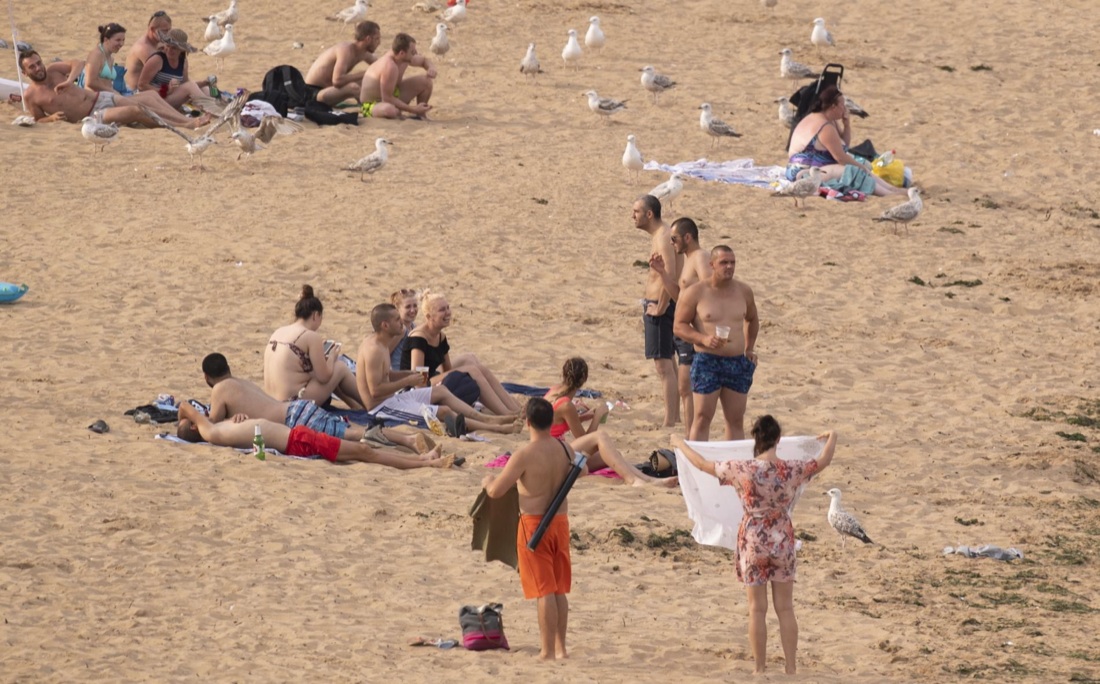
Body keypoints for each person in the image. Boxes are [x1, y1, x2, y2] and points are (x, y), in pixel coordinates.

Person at [672, 418, 836, 675]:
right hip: (782, 540)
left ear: (755, 439)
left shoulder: (742, 469)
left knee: (757, 610)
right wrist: (833, 436)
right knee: (785, 608)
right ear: (778, 439)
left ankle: (760, 669)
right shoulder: (792, 469)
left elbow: (702, 464)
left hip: (753, 541)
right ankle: (791, 668)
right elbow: (823, 460)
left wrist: (679, 444)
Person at [482, 398, 582, 661]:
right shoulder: (566, 449)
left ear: (528, 422)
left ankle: (547, 651)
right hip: (560, 522)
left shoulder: (524, 455)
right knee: (559, 589)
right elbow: (580, 473)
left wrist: (487, 480)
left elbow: (496, 491)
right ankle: (561, 648)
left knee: (544, 590)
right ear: (552, 421)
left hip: (534, 526)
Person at [177, 352, 434, 454]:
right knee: (352, 431)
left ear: (207, 377)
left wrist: (187, 419)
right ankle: (405, 440)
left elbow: (211, 424)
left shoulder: (220, 389)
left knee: (352, 434)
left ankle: (409, 440)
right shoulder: (239, 382)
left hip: (294, 418)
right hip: (297, 408)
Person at [357, 304, 520, 434]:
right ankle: (494, 428)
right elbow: (375, 391)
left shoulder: (382, 343)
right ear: (385, 325)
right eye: (397, 319)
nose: (401, 322)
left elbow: (386, 375)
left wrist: (408, 374)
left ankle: (487, 419)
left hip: (392, 400)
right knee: (443, 411)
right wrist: (407, 381)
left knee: (441, 391)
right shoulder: (374, 350)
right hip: (381, 408)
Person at [177, 402, 454, 470]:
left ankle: (424, 460)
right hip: (297, 441)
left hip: (298, 435)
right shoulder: (210, 431)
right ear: (193, 428)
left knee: (363, 450)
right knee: (364, 451)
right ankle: (426, 463)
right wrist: (184, 419)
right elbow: (184, 406)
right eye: (195, 420)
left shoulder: (218, 428)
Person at [545, 358, 678, 488]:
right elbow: (586, 441)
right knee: (600, 436)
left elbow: (557, 421)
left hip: (552, 452)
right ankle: (632, 480)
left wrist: (584, 417)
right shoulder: (566, 405)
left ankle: (650, 480)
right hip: (554, 457)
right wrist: (597, 417)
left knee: (612, 456)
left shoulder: (554, 391)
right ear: (583, 380)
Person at [673, 246, 759, 441]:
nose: (729, 266)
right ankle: (696, 459)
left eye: (732, 262)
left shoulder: (744, 291)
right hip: (707, 361)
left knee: (735, 420)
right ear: (712, 265)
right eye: (724, 262)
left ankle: (733, 459)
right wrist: (702, 339)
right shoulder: (696, 292)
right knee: (702, 417)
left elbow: (752, 319)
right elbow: (679, 326)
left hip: (736, 362)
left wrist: (749, 348)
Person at [403, 291, 521, 417]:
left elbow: (447, 370)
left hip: (431, 378)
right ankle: (506, 414)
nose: (448, 313)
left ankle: (515, 408)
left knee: (472, 361)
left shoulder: (440, 336)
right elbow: (418, 380)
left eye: (448, 308)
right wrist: (464, 372)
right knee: (472, 370)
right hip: (416, 388)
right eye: (442, 310)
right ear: (429, 316)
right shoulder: (419, 338)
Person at [19, 50, 208, 127]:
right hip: (92, 116)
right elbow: (38, 119)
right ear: (25, 72)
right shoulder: (31, 95)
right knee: (136, 110)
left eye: (39, 63)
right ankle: (183, 125)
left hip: (99, 97)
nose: (38, 68)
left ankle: (186, 119)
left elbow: (78, 63)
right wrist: (51, 118)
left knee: (149, 97)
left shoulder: (53, 70)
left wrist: (69, 81)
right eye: (32, 67)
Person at [650, 217, 713, 436]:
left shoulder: (701, 257)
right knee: (685, 387)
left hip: (696, 333)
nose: (671, 243)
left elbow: (710, 288)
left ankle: (692, 437)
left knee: (689, 388)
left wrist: (702, 326)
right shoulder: (688, 260)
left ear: (688, 237)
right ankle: (690, 436)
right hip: (687, 331)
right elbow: (680, 297)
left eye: (674, 239)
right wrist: (663, 273)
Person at [786, 85, 906, 197]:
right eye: (842, 105)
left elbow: (844, 146)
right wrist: (862, 168)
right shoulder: (825, 127)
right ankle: (888, 193)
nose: (845, 108)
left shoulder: (829, 119)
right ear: (833, 107)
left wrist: (846, 124)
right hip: (805, 173)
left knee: (860, 164)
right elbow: (841, 158)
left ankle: (892, 189)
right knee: (853, 170)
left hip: (817, 168)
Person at [263, 284, 364, 409]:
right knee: (339, 367)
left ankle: (357, 407)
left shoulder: (279, 331)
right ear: (316, 315)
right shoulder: (310, 336)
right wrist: (332, 357)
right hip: (293, 403)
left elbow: (294, 368)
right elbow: (324, 377)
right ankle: (370, 403)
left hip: (271, 401)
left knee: (329, 371)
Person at [633, 195, 681, 428]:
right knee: (669, 360)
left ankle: (669, 420)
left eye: (636, 211)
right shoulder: (662, 235)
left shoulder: (663, 237)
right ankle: (676, 416)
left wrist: (661, 307)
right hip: (660, 304)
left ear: (649, 214)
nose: (633, 216)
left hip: (660, 305)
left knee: (663, 365)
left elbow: (669, 274)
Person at [358, 32, 436, 120]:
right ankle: (402, 113)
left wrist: (431, 68)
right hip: (373, 104)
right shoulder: (389, 66)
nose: (415, 53)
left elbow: (424, 60)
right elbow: (386, 98)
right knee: (389, 110)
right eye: (412, 52)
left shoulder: (403, 57)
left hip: (393, 94)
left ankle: (421, 116)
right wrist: (413, 109)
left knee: (426, 82)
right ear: (402, 53)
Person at [304, 20, 382, 106]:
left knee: (370, 80)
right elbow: (337, 81)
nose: (379, 43)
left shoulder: (364, 53)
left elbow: (380, 67)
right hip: (312, 93)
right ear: (368, 39)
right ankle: (367, 107)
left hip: (328, 90)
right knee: (353, 87)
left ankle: (373, 103)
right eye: (377, 39)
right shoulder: (346, 50)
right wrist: (366, 73)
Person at [136, 29, 215, 109]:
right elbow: (141, 86)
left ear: (181, 49)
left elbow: (184, 84)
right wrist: (165, 91)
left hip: (170, 98)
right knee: (191, 86)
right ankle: (211, 110)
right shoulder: (158, 59)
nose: (169, 50)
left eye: (174, 48)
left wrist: (204, 83)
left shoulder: (183, 62)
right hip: (155, 99)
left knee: (205, 89)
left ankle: (213, 109)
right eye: (167, 46)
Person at [124, 10, 173, 92]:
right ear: (153, 30)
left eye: (169, 30)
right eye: (165, 31)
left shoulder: (157, 42)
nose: (168, 34)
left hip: (151, 89)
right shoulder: (144, 48)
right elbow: (166, 74)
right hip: (137, 92)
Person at [82, 23, 127, 94]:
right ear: (106, 40)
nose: (121, 44)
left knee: (146, 95)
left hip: (109, 95)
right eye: (118, 40)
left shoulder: (110, 58)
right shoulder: (96, 55)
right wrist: (112, 91)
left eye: (123, 40)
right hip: (94, 96)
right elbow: (90, 82)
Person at [388, 288, 418, 371]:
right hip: (400, 374)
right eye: (408, 307)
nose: (412, 310)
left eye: (415, 306)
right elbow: (384, 353)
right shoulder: (401, 330)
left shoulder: (413, 326)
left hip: (412, 372)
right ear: (397, 309)